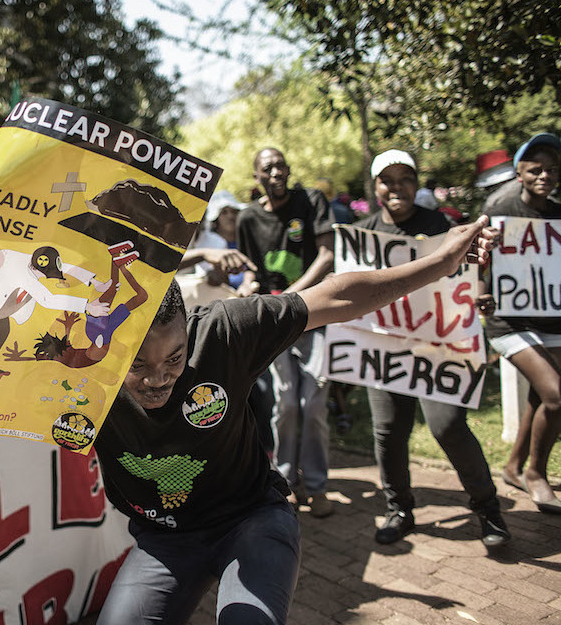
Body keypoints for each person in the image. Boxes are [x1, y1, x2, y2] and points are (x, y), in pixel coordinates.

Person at [0, 203, 499, 625]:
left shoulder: (225, 332)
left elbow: (337, 296)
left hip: (254, 519)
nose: (157, 379)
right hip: (163, 541)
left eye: (172, 359)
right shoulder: (69, 362)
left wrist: (440, 263)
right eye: (135, 367)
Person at [354, 150, 509, 546]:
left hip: (437, 348)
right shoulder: (362, 235)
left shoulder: (439, 226)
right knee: (388, 430)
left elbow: (466, 273)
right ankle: (399, 509)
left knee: (448, 425)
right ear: (375, 187)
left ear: (416, 184)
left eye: (405, 178)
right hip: (385, 349)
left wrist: (479, 293)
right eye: (387, 180)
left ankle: (488, 510)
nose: (396, 187)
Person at [237, 147, 337, 517]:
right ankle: (286, 483)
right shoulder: (248, 219)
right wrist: (246, 289)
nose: (277, 172)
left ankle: (318, 486)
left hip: (313, 313)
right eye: (268, 168)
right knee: (286, 403)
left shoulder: (311, 201)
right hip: (274, 323)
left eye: (281, 164)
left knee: (314, 403)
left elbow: (326, 256)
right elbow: (251, 272)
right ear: (257, 177)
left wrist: (295, 297)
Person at [483, 133, 561, 514]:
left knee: (540, 394)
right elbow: (479, 258)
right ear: (519, 173)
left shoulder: (558, 216)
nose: (544, 175)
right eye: (535, 169)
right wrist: (481, 289)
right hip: (508, 320)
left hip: (551, 319)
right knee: (556, 395)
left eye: (551, 169)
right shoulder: (501, 208)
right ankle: (535, 473)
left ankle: (513, 467)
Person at [178, 191, 256, 291]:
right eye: (224, 212)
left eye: (234, 211)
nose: (230, 216)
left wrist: (246, 283)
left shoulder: (220, 242)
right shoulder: (205, 243)